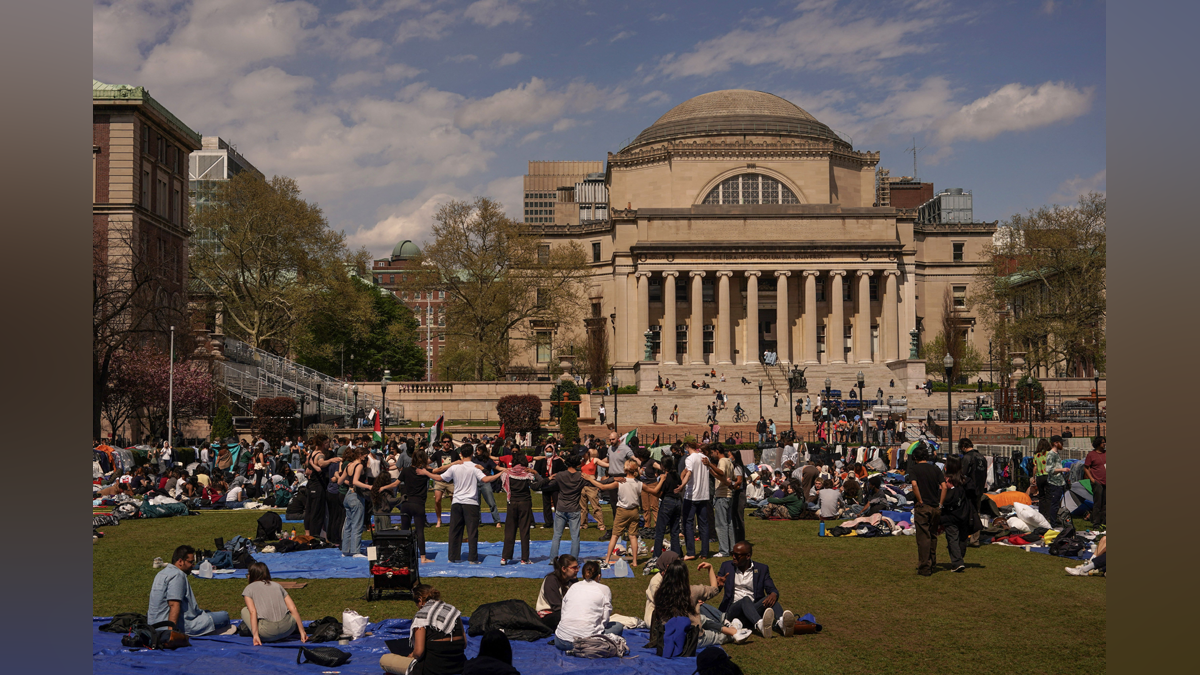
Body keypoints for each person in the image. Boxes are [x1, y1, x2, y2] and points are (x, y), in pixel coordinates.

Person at [650, 560, 752, 648]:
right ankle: (734, 633)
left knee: (703, 619)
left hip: (667, 636)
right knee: (718, 636)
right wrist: (710, 568)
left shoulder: (660, 593)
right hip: (691, 639)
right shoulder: (692, 591)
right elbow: (714, 589)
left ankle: (731, 629)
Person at [434, 445, 507, 564]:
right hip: (471, 503)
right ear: (472, 454)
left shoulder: (455, 467)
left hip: (457, 502)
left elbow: (440, 476)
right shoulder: (474, 467)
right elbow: (486, 480)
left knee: (454, 531)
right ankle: (472, 558)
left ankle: (452, 557)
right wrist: (500, 473)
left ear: (461, 454)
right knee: (472, 532)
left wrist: (427, 474)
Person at [379, 584, 467, 675]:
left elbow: (419, 652)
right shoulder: (453, 611)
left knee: (385, 660)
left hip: (432, 669)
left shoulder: (422, 616)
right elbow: (464, 644)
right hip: (458, 666)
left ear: (420, 600)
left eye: (416, 603)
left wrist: (411, 656)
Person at [148, 545, 233, 636]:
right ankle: (211, 631)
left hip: (154, 626)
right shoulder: (177, 575)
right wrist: (171, 633)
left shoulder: (161, 573)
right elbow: (174, 604)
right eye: (191, 562)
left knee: (207, 612)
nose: (193, 566)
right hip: (176, 626)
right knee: (224, 616)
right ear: (180, 561)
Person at [716, 541, 794, 638]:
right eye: (732, 554)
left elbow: (771, 588)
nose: (733, 557)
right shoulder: (726, 566)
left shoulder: (762, 569)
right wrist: (718, 586)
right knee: (745, 599)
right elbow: (715, 589)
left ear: (748, 556)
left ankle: (782, 623)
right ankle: (760, 624)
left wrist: (774, 594)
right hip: (732, 609)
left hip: (752, 609)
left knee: (771, 599)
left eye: (737, 555)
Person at [553, 560, 624, 652]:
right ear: (599, 576)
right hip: (587, 641)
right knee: (618, 626)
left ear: (582, 576)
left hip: (561, 641)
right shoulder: (604, 589)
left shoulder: (574, 587)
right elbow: (605, 618)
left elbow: (564, 610)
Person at [240, 562, 307, 645]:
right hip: (288, 629)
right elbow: (293, 608)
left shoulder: (249, 589)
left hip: (267, 633)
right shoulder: (277, 585)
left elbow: (252, 612)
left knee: (244, 610)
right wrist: (302, 631)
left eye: (248, 574)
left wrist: (256, 635)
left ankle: (257, 631)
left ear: (253, 575)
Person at [680, 441, 724, 560]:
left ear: (687, 447)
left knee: (688, 524)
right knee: (704, 524)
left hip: (692, 495)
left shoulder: (690, 459)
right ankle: (704, 553)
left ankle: (691, 552)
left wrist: (682, 485)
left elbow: (688, 473)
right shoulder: (704, 458)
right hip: (704, 495)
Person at [500, 454, 544, 565]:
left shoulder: (508, 474)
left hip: (512, 503)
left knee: (509, 531)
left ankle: (505, 557)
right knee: (524, 531)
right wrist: (537, 474)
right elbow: (536, 486)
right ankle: (524, 558)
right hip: (525, 503)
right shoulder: (527, 475)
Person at [598, 459, 643, 567]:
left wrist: (590, 479)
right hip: (634, 511)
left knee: (614, 535)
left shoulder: (621, 482)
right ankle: (635, 561)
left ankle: (607, 559)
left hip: (622, 511)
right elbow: (654, 491)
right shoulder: (639, 483)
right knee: (633, 536)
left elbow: (603, 487)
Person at [909, 442, 945, 576]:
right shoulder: (935, 469)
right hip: (935, 506)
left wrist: (919, 500)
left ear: (915, 458)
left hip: (923, 506)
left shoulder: (914, 470)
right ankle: (932, 562)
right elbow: (944, 486)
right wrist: (940, 504)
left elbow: (914, 484)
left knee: (923, 538)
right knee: (933, 535)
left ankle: (925, 567)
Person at [547, 453, 588, 562]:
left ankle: (553, 559)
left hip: (561, 508)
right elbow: (596, 483)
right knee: (575, 537)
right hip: (574, 509)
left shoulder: (560, 475)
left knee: (557, 536)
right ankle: (574, 559)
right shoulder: (581, 476)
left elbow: (548, 484)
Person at [938, 457, 976, 573]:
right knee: (962, 537)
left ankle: (957, 561)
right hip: (964, 512)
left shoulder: (945, 481)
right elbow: (972, 493)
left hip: (949, 513)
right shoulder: (965, 480)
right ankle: (959, 557)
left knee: (952, 538)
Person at [650, 455, 684, 559]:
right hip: (677, 502)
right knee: (675, 530)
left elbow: (659, 493)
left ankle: (656, 554)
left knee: (660, 530)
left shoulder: (665, 478)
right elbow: (680, 486)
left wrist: (659, 481)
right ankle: (677, 554)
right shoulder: (676, 475)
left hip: (667, 502)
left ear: (663, 466)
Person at [536, 554, 578, 630]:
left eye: (577, 567)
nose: (577, 570)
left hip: (565, 612)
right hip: (548, 615)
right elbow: (557, 606)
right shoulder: (551, 580)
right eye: (574, 568)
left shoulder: (573, 581)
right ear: (563, 569)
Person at [713, 444, 736, 558]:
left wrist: (710, 465)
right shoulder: (729, 461)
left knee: (721, 524)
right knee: (728, 524)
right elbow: (733, 476)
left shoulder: (722, 461)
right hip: (728, 495)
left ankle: (724, 550)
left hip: (722, 495)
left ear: (717, 451)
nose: (712, 454)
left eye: (713, 452)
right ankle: (732, 548)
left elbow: (721, 472)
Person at [1041, 435, 1070, 523]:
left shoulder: (1056, 454)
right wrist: (1062, 469)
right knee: (1054, 503)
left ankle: (1056, 518)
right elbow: (1049, 469)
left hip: (1059, 482)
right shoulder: (1051, 454)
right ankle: (1053, 521)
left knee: (1057, 503)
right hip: (1054, 482)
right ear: (1055, 443)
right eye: (1061, 442)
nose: (1062, 444)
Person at [580, 446, 607, 532]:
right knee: (583, 507)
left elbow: (606, 464)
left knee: (595, 506)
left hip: (591, 485)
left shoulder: (594, 460)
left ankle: (601, 524)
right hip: (582, 485)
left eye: (583, 454)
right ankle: (583, 523)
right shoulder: (582, 462)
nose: (582, 456)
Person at [1083, 436, 1107, 528]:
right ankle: (1096, 522)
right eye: (1103, 442)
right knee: (1097, 503)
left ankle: (1104, 520)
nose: (1104, 444)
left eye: (1105, 442)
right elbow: (1086, 468)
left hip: (1106, 481)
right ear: (1098, 444)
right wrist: (1092, 479)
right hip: (1097, 482)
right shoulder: (1091, 455)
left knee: (1105, 503)